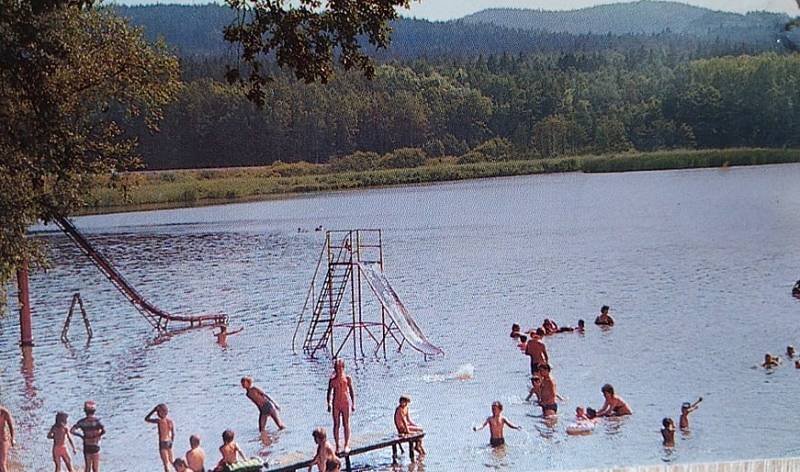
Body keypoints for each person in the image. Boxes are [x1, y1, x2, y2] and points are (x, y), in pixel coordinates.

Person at [327, 358, 355, 452]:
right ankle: (337, 446)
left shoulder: (347, 378)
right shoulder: (332, 380)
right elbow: (329, 393)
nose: (338, 370)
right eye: (337, 368)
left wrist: (353, 404)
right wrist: (329, 404)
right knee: (336, 424)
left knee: (346, 424)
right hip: (336, 403)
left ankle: (346, 444)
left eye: (340, 368)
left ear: (343, 368)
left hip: (345, 403)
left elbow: (351, 391)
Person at [71, 401, 105, 472]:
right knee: (95, 468)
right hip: (95, 445)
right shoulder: (97, 421)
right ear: (94, 411)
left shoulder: (82, 422)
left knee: (87, 468)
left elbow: (72, 431)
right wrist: (98, 435)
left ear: (85, 411)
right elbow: (104, 430)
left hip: (87, 445)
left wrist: (81, 436)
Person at [145, 404, 176, 472]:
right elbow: (173, 434)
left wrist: (153, 410)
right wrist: (171, 442)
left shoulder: (159, 421)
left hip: (163, 443)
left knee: (166, 463)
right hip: (169, 442)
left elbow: (146, 419)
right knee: (172, 460)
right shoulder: (170, 421)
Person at [0, 406, 15, 472]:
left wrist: (13, 439)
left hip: (3, 439)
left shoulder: (5, 412)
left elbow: (11, 426)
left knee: (2, 463)